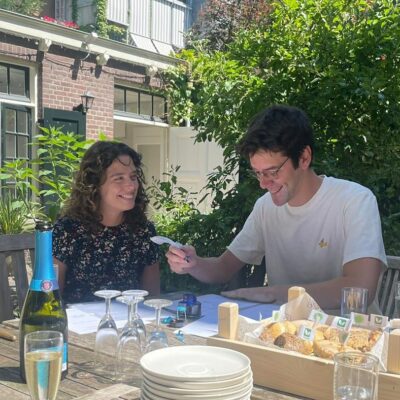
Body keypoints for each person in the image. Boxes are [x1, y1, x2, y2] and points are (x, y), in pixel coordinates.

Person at [166, 105, 386, 313]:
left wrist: (275, 294)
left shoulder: (354, 200)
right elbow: (223, 267)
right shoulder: (266, 207)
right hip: (283, 332)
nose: (264, 183)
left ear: (304, 158)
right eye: (258, 173)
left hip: (351, 335)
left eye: (272, 172)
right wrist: (193, 264)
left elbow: (361, 288)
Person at [53, 141, 160, 303]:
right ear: (94, 184)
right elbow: (51, 300)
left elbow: (152, 299)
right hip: (77, 318)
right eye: (119, 178)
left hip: (130, 317)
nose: (131, 186)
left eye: (133, 177)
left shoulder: (143, 231)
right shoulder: (67, 230)